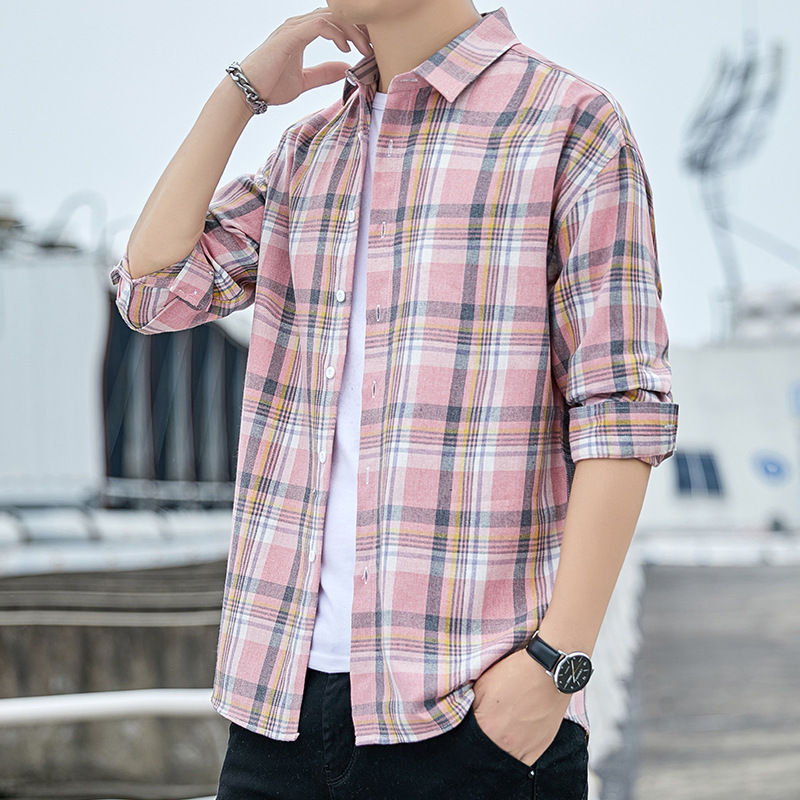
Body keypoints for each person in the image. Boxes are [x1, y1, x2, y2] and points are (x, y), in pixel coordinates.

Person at [110, 2, 678, 798]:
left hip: (472, 712)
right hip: (279, 711)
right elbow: (152, 290)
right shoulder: (311, 151)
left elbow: (621, 410)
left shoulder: (568, 124)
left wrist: (554, 665)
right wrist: (244, 89)